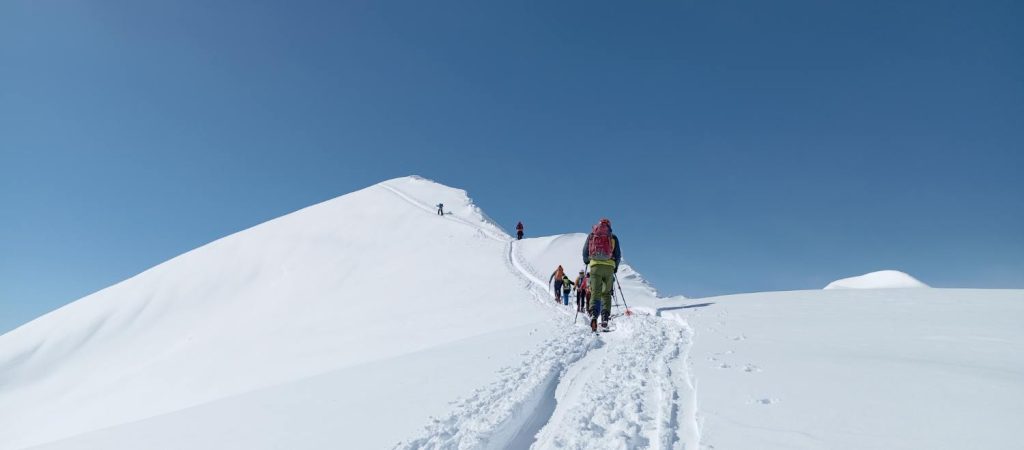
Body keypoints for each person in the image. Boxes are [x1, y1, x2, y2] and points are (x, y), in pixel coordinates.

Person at [582, 218, 621, 332]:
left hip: (595, 267)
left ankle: (594, 315)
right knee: (606, 293)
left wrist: (587, 261)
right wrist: (615, 267)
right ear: (609, 226)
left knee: (595, 292)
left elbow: (585, 251)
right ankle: (605, 318)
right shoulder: (613, 237)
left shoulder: (592, 235)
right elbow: (617, 255)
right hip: (609, 267)